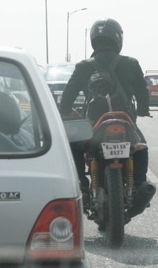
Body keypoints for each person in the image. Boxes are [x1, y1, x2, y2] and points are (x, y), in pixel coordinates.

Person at [60, 18, 153, 196]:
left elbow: (67, 97)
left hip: (93, 124)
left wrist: (66, 111)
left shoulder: (83, 66)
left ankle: (82, 185)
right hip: (124, 121)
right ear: (118, 38)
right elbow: (142, 92)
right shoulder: (131, 63)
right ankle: (141, 185)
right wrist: (143, 110)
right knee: (141, 148)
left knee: (74, 146)